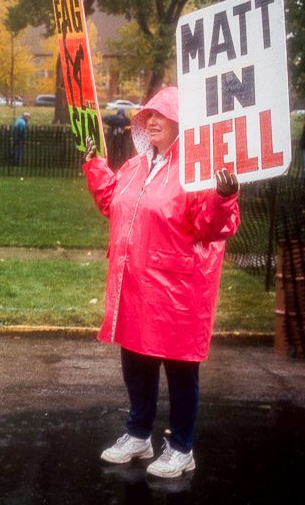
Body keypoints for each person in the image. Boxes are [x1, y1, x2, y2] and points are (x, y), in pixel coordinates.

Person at [83, 86, 240, 479]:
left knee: (180, 368)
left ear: (181, 124)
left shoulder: (196, 171)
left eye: (161, 115)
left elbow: (213, 226)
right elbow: (113, 203)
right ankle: (138, 435)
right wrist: (94, 166)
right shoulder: (136, 166)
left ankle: (182, 446)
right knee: (136, 358)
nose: (150, 120)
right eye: (146, 115)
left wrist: (224, 196)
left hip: (178, 290)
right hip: (135, 284)